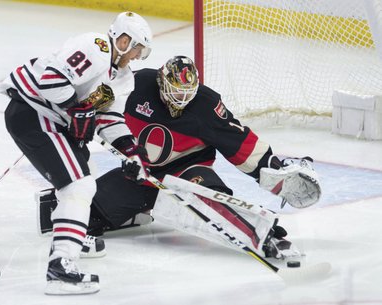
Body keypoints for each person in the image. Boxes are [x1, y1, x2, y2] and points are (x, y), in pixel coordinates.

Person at [37, 56, 321, 261]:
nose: (181, 99)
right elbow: (99, 105)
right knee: (81, 214)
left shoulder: (207, 105)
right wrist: (72, 110)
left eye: (187, 93)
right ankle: (140, 208)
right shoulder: (137, 85)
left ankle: (268, 235)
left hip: (188, 169)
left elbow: (239, 141)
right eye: (175, 91)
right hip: (143, 173)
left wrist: (272, 167)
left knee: (208, 200)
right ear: (162, 82)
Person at [1, 12, 152, 295]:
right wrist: (75, 108)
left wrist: (131, 151)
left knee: (88, 175)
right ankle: (60, 267)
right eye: (134, 47)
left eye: (139, 51)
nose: (135, 54)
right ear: (121, 39)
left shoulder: (122, 79)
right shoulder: (95, 46)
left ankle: (73, 232)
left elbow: (110, 119)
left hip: (54, 120)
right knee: (78, 184)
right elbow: (50, 78)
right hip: (34, 113)